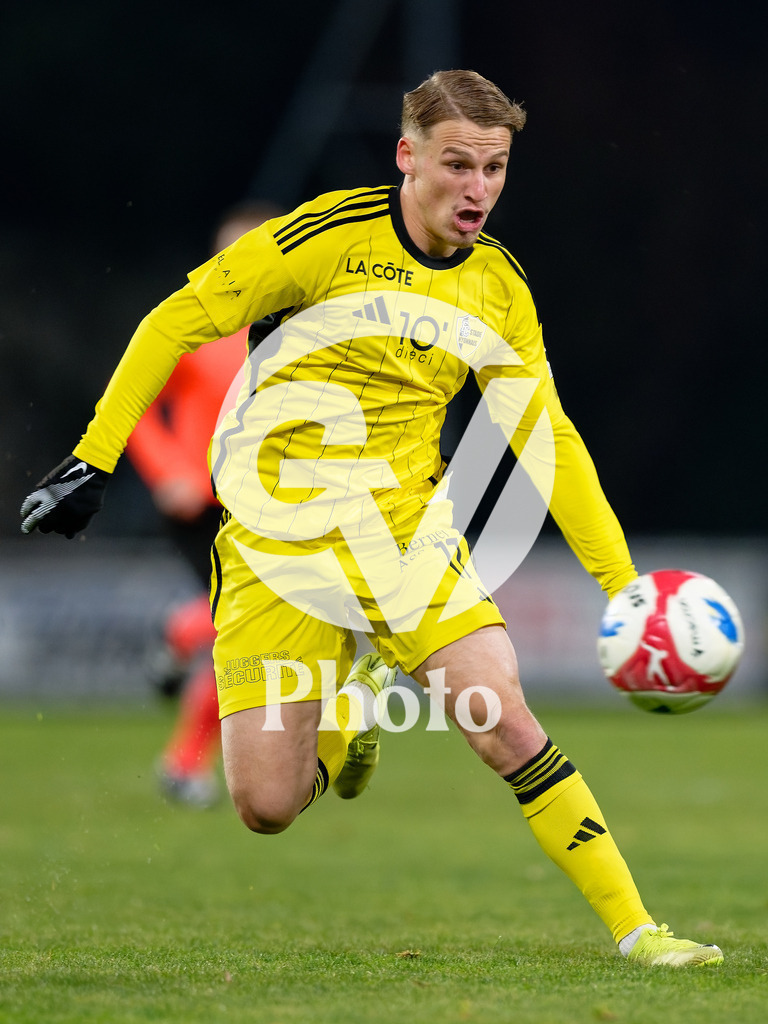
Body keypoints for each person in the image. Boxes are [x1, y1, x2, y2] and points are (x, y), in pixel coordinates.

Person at [20, 70, 722, 967]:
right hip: (279, 546)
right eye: (458, 165)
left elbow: (547, 437)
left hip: (406, 538)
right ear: (407, 156)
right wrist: (94, 459)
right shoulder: (320, 241)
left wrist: (625, 587)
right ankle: (351, 719)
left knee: (503, 720)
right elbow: (172, 322)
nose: (478, 190)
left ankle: (640, 931)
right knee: (265, 806)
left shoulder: (499, 290)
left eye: (496, 169)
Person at [125, 201, 284, 808]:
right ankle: (184, 758)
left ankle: (180, 640)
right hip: (204, 504)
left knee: (239, 633)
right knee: (238, 627)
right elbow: (136, 403)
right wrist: (171, 472)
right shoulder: (195, 325)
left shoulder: (304, 328)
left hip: (271, 507)